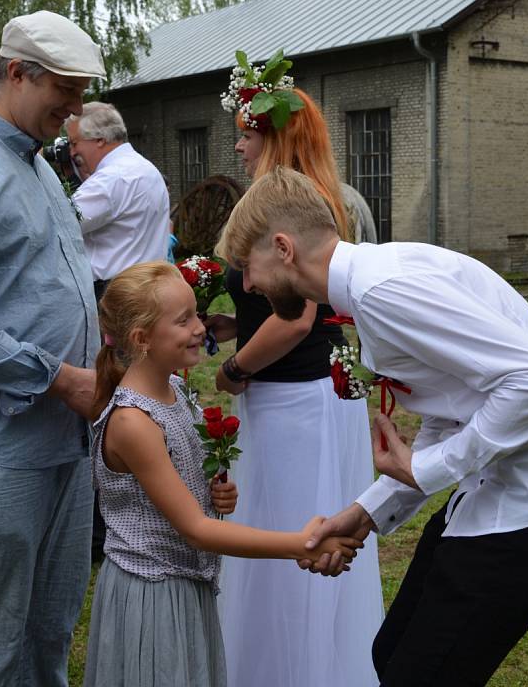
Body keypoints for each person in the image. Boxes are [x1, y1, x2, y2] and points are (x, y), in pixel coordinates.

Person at [216, 166, 528, 687]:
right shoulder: (374, 281)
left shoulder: (381, 291)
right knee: (388, 655)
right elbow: (457, 405)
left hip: (527, 511)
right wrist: (367, 512)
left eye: (247, 267)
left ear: (283, 248)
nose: (250, 285)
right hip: (492, 497)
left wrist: (429, 468)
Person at [81, 260, 362, 687]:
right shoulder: (133, 422)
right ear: (142, 340)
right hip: (153, 593)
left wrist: (212, 492)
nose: (200, 327)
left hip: (187, 583)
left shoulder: (174, 388)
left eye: (196, 314)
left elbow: (182, 492)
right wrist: (300, 546)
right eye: (183, 320)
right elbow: (195, 530)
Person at [208, 51, 384, 687]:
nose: (238, 146)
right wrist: (236, 323)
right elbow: (274, 308)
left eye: (246, 134)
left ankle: (296, 669)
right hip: (308, 396)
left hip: (298, 402)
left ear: (274, 135)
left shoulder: (296, 210)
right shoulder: (306, 201)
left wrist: (234, 369)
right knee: (284, 528)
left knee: (292, 535)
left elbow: (296, 321)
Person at [0, 10, 106, 686]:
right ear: (18, 72)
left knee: (48, 631)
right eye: (64, 93)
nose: (74, 112)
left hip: (65, 441)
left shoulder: (41, 170)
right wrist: (58, 379)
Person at [64, 101, 170, 302]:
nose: (71, 152)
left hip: (112, 295)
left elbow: (59, 226)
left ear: (100, 139)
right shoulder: (145, 169)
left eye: (74, 143)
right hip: (146, 288)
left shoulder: (109, 180)